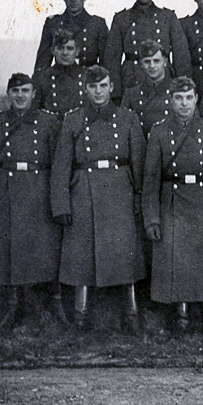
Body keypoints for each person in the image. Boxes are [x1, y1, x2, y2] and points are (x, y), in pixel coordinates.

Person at [50, 65, 146, 334]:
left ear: (111, 87)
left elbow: (139, 164)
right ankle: (81, 317)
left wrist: (139, 200)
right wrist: (61, 204)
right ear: (86, 88)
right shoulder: (73, 120)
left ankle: (132, 314)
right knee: (82, 254)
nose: (98, 91)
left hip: (120, 191)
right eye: (93, 86)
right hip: (84, 191)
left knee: (126, 254)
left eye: (103, 85)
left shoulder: (128, 118)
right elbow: (61, 166)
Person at [142, 77, 203, 338]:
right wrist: (152, 219)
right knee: (177, 261)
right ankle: (181, 317)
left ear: (196, 99)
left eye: (189, 98)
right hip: (172, 200)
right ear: (171, 100)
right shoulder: (159, 132)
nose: (184, 104)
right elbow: (151, 180)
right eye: (179, 98)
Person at [0, 73, 64, 329]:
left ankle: (54, 307)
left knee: (47, 249)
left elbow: (58, 166)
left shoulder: (49, 122)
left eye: (25, 90)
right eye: (15, 91)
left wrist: (58, 203)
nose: (20, 96)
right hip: (7, 192)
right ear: (8, 94)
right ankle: (14, 306)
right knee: (10, 252)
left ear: (34, 94)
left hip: (39, 190)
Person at [104, 0, 191, 105]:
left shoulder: (167, 17)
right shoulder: (122, 19)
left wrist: (183, 86)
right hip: (131, 78)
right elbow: (112, 58)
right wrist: (115, 93)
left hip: (164, 78)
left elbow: (181, 56)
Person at [34, 0, 109, 77]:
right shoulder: (53, 23)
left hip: (88, 80)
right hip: (60, 79)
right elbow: (43, 62)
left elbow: (106, 62)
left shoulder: (97, 24)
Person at [120, 39, 175, 137]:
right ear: (141, 64)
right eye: (147, 62)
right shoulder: (131, 94)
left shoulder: (178, 92)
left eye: (156, 61)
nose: (152, 66)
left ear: (165, 62)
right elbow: (123, 129)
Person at [33, 28, 87, 118]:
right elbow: (34, 112)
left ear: (77, 51)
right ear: (53, 51)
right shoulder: (41, 78)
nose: (65, 53)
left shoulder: (86, 76)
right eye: (60, 48)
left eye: (69, 48)